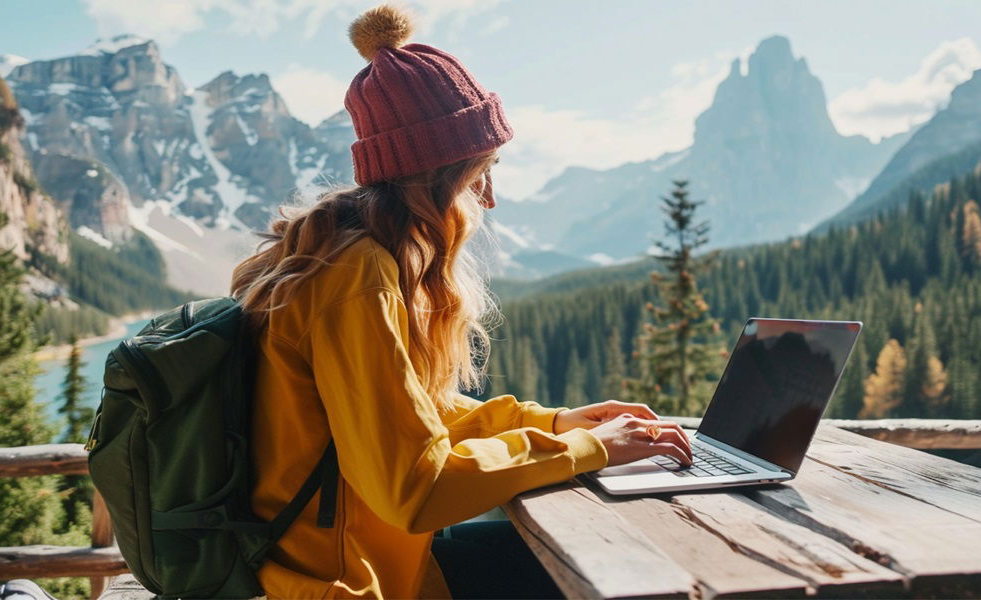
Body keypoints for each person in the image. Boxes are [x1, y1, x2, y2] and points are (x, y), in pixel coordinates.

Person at [231, 4, 694, 598]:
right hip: (349, 585)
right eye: (481, 171)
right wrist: (583, 449)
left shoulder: (346, 254)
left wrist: (552, 423)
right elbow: (414, 489)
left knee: (601, 561)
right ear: (436, 175)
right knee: (621, 574)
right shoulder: (358, 275)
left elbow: (412, 418)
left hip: (372, 565)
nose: (490, 197)